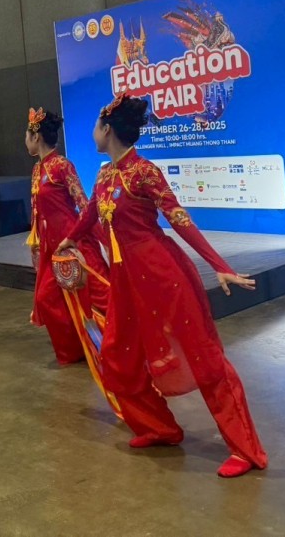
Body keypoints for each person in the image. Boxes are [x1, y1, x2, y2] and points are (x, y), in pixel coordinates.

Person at [57, 94, 267, 479]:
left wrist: (219, 266)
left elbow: (180, 220)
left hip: (162, 276)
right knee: (117, 357)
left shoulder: (145, 173)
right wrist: (69, 239)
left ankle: (245, 450)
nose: (93, 133)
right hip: (125, 282)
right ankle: (160, 428)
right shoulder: (104, 175)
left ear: (107, 129)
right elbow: (89, 215)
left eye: (96, 127)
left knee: (205, 360)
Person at [24, 108, 111, 366]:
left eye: (26, 136)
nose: (25, 141)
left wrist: (99, 239)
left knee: (100, 295)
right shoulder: (37, 169)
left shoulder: (62, 166)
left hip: (73, 241)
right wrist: (36, 242)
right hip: (51, 244)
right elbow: (38, 211)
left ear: (36, 136)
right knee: (46, 298)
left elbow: (84, 204)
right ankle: (74, 349)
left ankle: (121, 345)